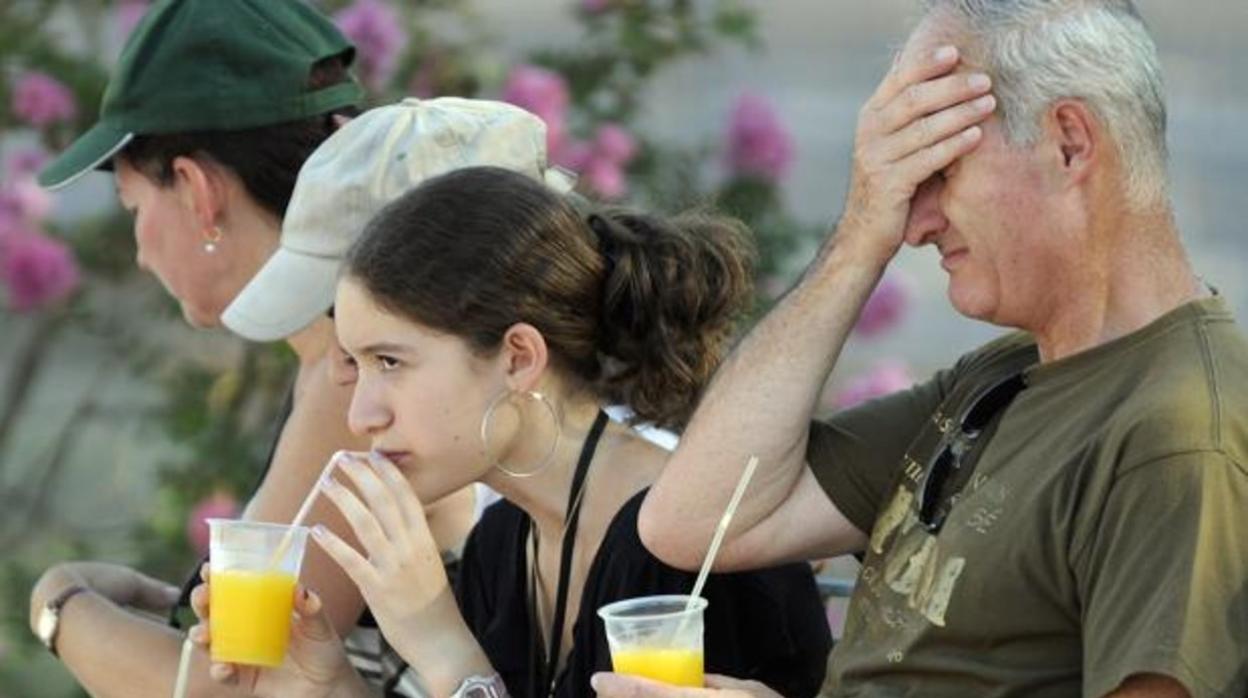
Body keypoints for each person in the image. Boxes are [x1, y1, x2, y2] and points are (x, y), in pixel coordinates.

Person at [592, 1, 1248, 697]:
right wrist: (858, 235)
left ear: (1069, 143)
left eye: (936, 168)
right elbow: (691, 524)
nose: (915, 222)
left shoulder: (1177, 434)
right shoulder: (1010, 374)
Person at [187, 165, 833, 698]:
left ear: (519, 358)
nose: (362, 416)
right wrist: (324, 683)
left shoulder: (689, 540)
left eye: (391, 362)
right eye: (356, 367)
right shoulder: (506, 544)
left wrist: (444, 645)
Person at [24, 2, 474, 696]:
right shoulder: (353, 363)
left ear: (200, 193)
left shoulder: (353, 385)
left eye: (134, 207)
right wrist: (159, 602)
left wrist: (60, 606)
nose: (141, 253)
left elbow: (230, 684)